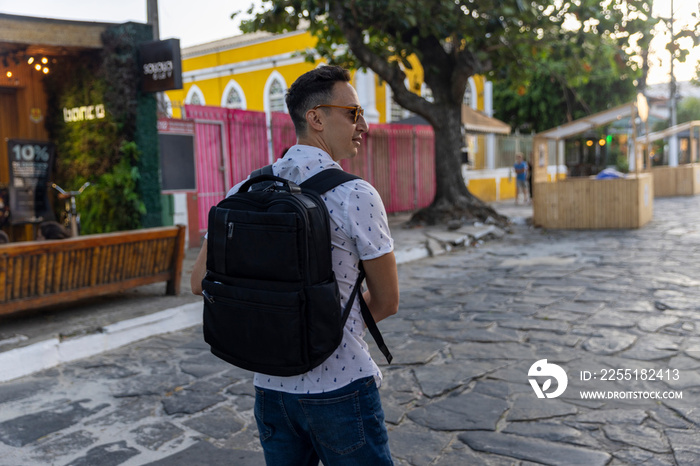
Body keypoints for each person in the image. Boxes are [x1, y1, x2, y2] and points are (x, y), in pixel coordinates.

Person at [191, 65, 400, 465]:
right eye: (353, 113)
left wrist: (282, 336)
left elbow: (197, 282)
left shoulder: (244, 189)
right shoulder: (356, 194)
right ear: (316, 118)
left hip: (271, 390)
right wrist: (319, 335)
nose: (364, 124)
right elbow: (388, 301)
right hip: (340, 387)